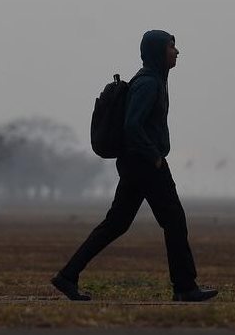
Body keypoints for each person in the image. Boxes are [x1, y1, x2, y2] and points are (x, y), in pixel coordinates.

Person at [51, 30, 217, 302]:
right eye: (172, 47)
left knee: (116, 223)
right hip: (145, 164)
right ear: (157, 52)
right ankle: (185, 287)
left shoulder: (154, 80)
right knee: (174, 219)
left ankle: (67, 276)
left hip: (136, 164)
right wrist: (154, 156)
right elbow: (131, 125)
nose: (177, 52)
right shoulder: (148, 83)